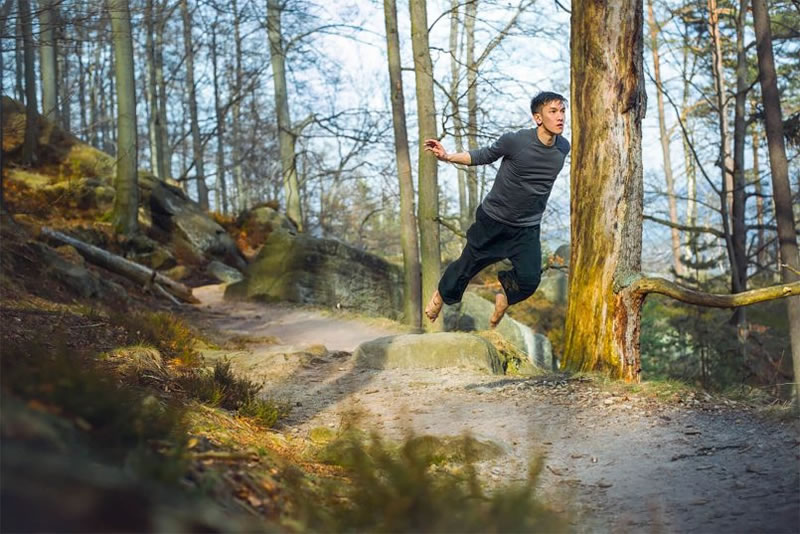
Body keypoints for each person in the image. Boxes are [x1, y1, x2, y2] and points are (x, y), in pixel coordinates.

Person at [423, 91, 569, 328]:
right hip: (494, 221)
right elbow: (484, 155)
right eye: (553, 111)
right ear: (538, 118)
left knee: (530, 280)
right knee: (466, 267)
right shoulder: (516, 141)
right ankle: (441, 294)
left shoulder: (563, 148)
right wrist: (447, 156)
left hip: (527, 228)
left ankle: (503, 296)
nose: (560, 116)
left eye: (563, 111)